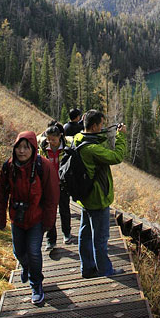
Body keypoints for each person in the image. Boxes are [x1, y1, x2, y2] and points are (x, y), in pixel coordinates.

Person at [0, 131, 59, 305]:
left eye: (26, 147)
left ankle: (36, 285)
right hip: (17, 218)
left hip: (36, 219)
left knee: (34, 252)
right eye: (19, 147)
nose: (21, 151)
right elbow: (1, 193)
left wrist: (48, 221)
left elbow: (52, 196)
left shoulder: (43, 166)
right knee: (18, 252)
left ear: (34, 149)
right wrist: (0, 217)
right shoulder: (9, 166)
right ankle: (26, 267)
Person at [74, 109, 126, 278]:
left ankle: (87, 268)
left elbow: (95, 141)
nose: (102, 126)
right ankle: (105, 270)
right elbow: (116, 156)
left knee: (85, 234)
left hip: (86, 197)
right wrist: (121, 136)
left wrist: (106, 132)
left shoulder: (78, 138)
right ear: (95, 126)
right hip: (98, 199)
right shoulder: (92, 150)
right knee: (100, 239)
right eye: (101, 125)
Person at [38, 123, 72, 250]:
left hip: (62, 184)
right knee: (49, 211)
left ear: (60, 137)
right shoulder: (43, 148)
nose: (51, 142)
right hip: (47, 185)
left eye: (53, 139)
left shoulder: (66, 148)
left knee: (64, 209)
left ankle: (66, 233)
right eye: (49, 139)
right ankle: (51, 240)